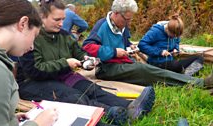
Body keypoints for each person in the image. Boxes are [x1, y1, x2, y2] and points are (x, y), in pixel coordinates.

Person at [17, 0, 155, 125]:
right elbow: (34, 70)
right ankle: (110, 113)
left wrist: (87, 59)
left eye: (63, 19)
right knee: (73, 96)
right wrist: (65, 63)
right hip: (34, 82)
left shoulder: (64, 35)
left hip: (63, 75)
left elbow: (79, 52)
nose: (61, 23)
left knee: (92, 89)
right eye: (56, 19)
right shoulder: (32, 37)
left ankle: (131, 107)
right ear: (42, 18)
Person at [82, 0, 213, 88]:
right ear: (116, 14)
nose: (129, 22)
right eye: (127, 19)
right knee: (144, 69)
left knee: (149, 70)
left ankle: (189, 81)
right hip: (107, 68)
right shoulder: (102, 25)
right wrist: (114, 51)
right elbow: (88, 47)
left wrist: (130, 45)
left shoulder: (123, 25)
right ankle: (200, 83)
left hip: (125, 61)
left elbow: (124, 41)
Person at [0, 0, 58, 126]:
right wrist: (38, 124)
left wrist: (8, 117)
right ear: (23, 23)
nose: (32, 47)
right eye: (34, 36)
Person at [138, 14, 204, 76]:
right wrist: (160, 52)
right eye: (173, 36)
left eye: (177, 36)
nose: (175, 38)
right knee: (178, 66)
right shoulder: (155, 31)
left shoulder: (175, 32)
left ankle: (186, 76)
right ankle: (185, 77)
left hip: (171, 62)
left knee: (199, 57)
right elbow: (141, 45)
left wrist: (176, 49)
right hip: (158, 64)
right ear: (167, 29)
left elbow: (177, 42)